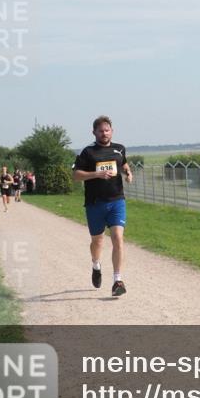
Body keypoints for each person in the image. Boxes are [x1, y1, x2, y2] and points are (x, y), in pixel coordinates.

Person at [72, 116, 133, 297]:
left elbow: (123, 164)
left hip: (117, 201)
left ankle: (117, 280)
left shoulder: (119, 149)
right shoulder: (88, 152)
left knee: (117, 238)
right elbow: (76, 175)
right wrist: (96, 174)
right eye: (100, 131)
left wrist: (128, 172)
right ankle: (96, 265)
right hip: (95, 203)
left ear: (111, 131)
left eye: (107, 130)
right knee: (97, 241)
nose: (104, 133)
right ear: (94, 132)